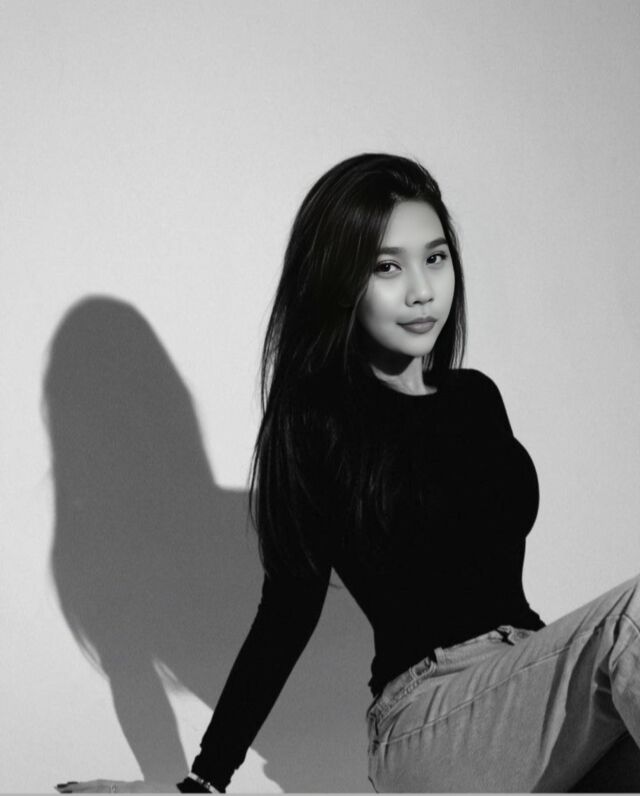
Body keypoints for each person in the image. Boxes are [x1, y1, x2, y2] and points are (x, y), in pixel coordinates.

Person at [56, 153, 640, 794]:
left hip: (528, 696)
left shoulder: (476, 398)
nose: (421, 290)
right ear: (341, 282)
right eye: (387, 267)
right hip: (428, 718)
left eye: (435, 258)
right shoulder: (318, 420)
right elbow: (286, 615)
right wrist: (205, 781)